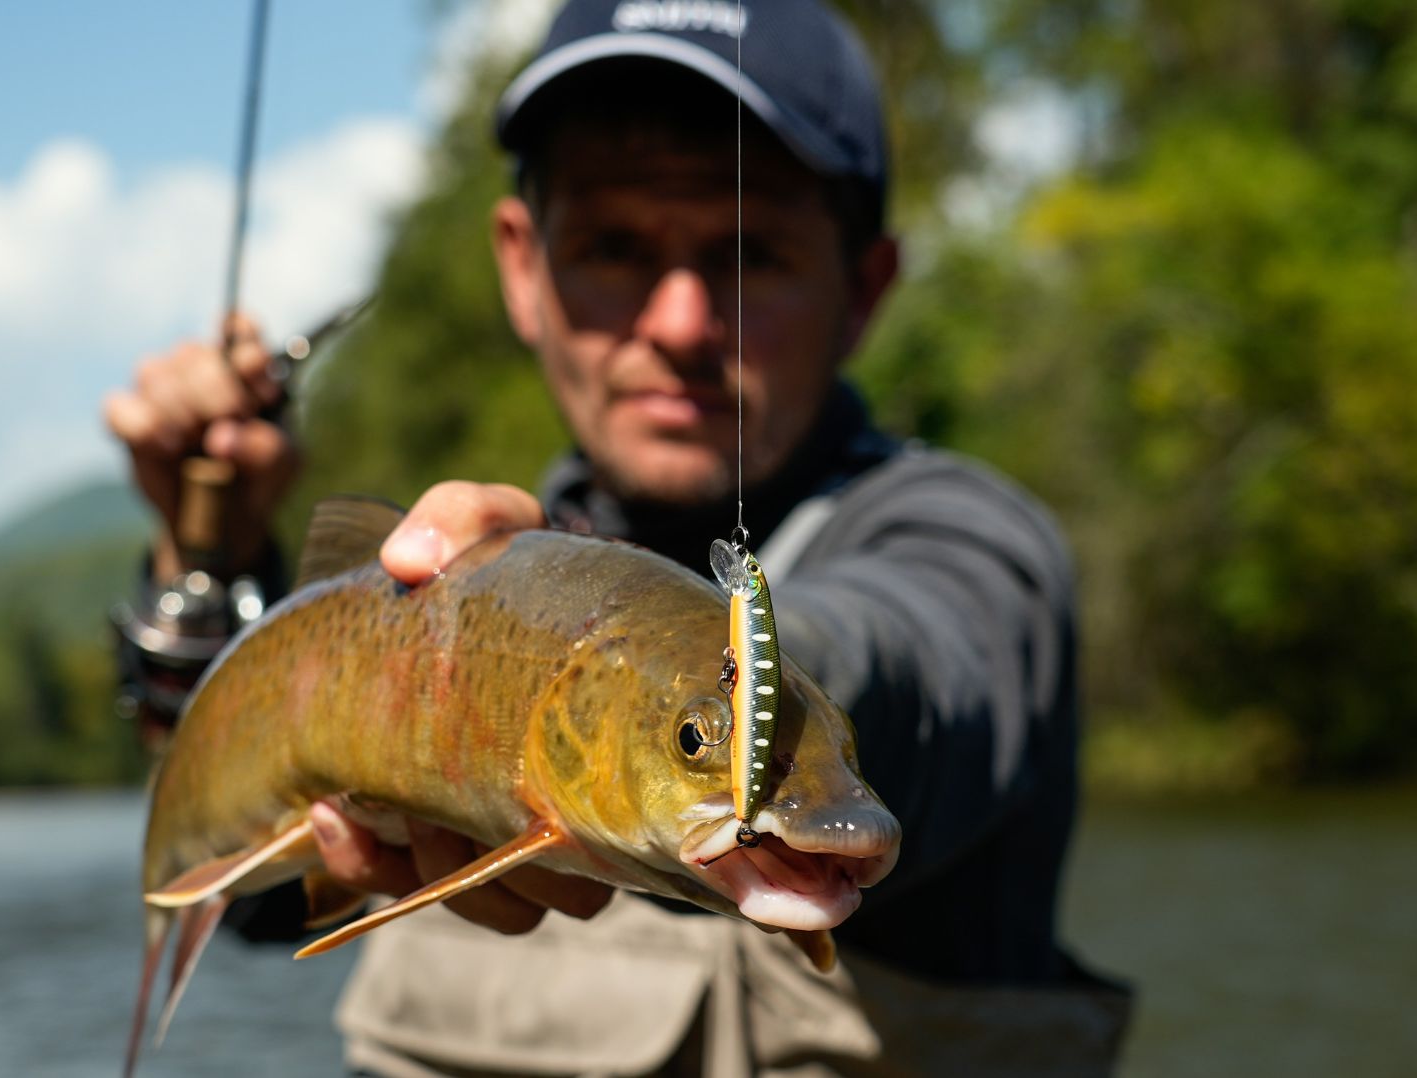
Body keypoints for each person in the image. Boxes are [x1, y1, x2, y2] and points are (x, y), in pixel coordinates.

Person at [104, 1, 1131, 1074]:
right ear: (521, 268)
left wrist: (739, 715)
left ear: (863, 288)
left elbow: (904, 666)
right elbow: (267, 905)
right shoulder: (442, 567)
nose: (679, 321)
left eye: (748, 251)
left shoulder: (973, 548)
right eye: (613, 247)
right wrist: (208, 565)